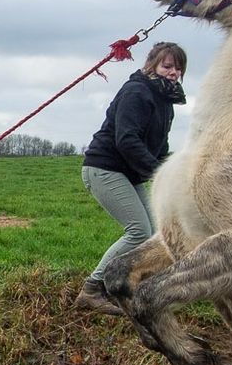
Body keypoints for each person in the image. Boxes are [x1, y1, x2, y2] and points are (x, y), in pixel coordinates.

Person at [76, 41, 187, 314]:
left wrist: (174, 169)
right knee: (138, 230)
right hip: (104, 168)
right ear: (152, 65)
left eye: (178, 68)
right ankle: (92, 290)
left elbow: (158, 146)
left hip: (128, 172)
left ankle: (124, 285)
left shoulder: (165, 101)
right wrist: (158, 173)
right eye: (167, 65)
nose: (173, 72)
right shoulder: (137, 92)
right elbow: (126, 140)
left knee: (153, 233)